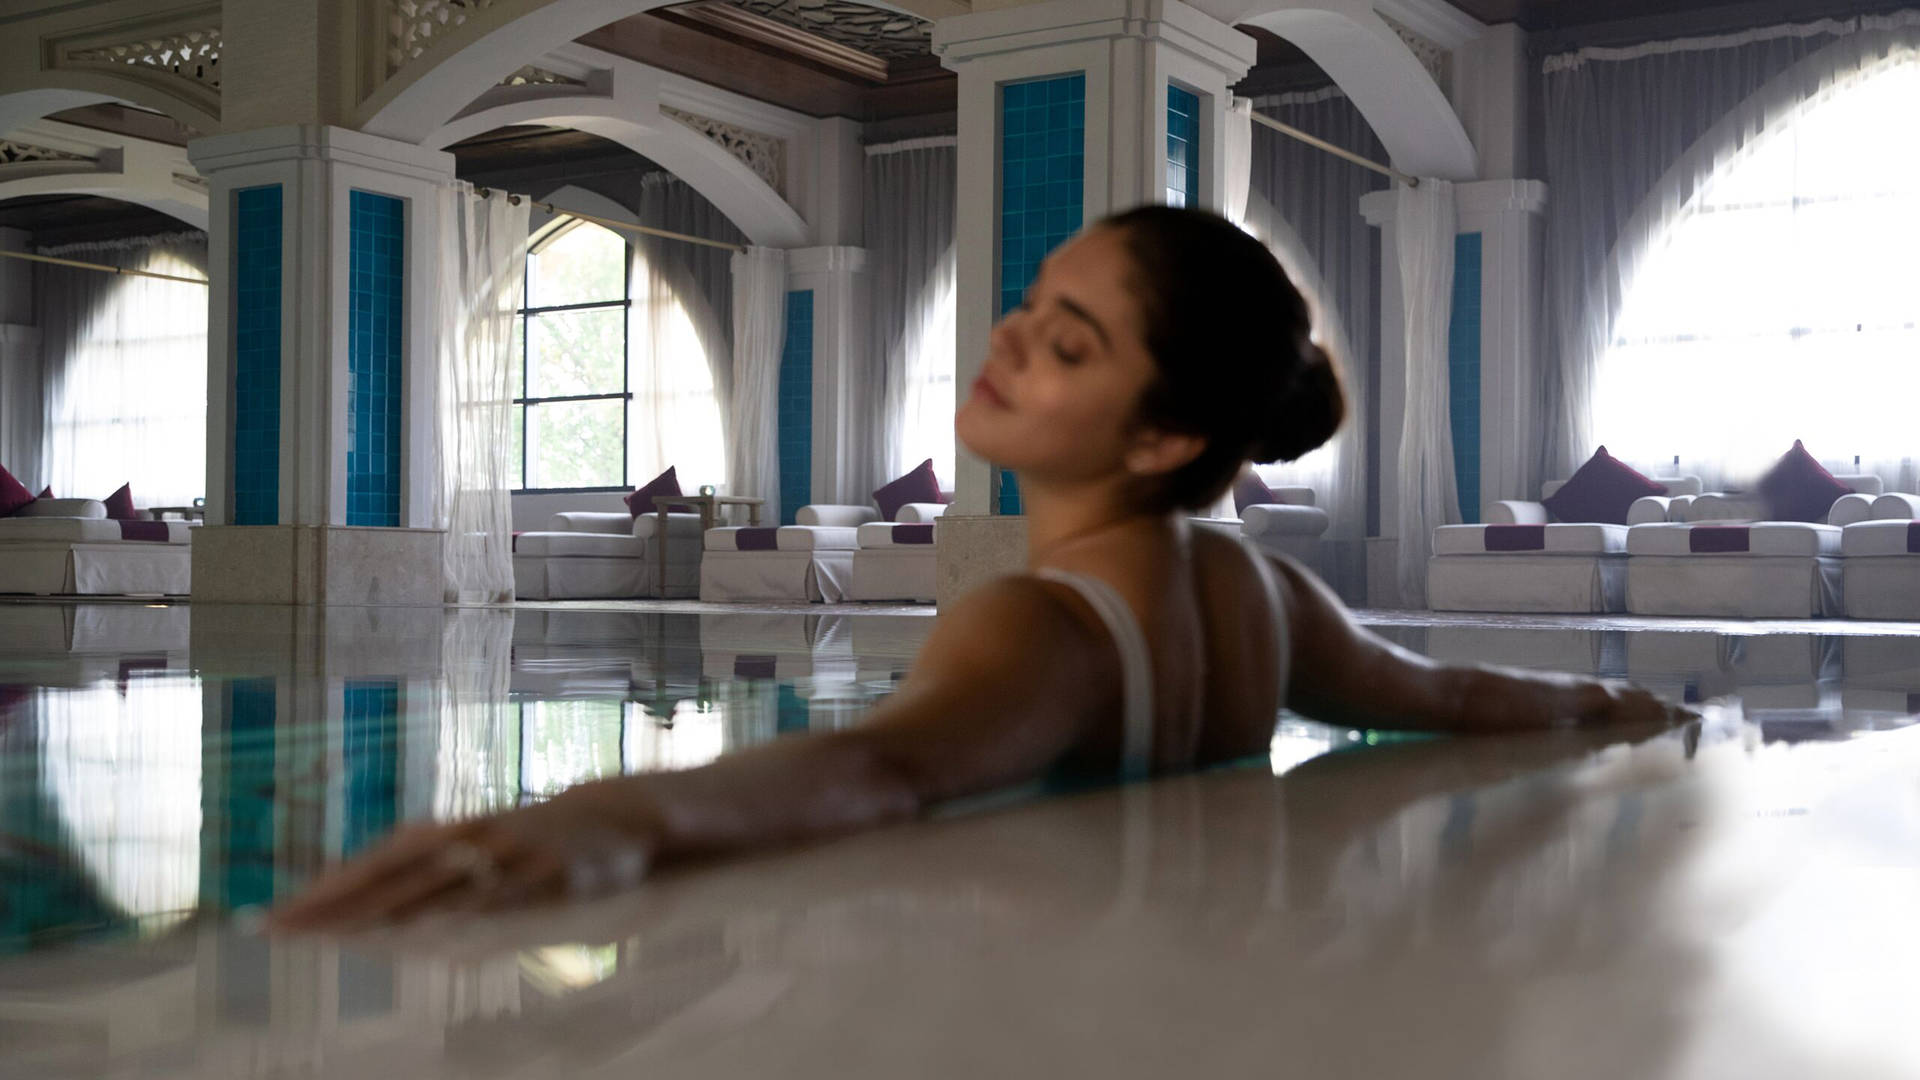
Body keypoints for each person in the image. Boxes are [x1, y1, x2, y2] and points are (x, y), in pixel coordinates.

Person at [273, 206, 1686, 930]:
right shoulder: (1261, 590)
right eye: (1029, 307)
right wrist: (1610, 706)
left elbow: (887, 768)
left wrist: (620, 812)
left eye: (1068, 345)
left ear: (1167, 434)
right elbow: (1432, 693)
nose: (1006, 344)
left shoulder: (1044, 623)